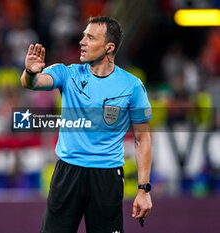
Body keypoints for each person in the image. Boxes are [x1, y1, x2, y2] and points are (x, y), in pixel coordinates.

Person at [20, 16, 152, 233]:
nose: (82, 42)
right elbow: (32, 83)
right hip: (67, 173)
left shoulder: (132, 86)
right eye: (83, 36)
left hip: (107, 176)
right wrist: (30, 72)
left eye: (90, 37)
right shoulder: (67, 73)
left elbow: (143, 138)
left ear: (109, 47)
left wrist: (143, 189)